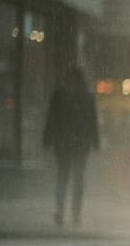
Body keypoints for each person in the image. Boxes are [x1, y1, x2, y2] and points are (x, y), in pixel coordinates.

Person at [42, 64, 100, 226]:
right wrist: (95, 143)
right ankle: (74, 213)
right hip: (79, 143)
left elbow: (51, 118)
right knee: (77, 178)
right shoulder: (87, 97)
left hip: (64, 143)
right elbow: (92, 121)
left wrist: (47, 139)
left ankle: (62, 211)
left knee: (64, 176)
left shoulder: (60, 95)